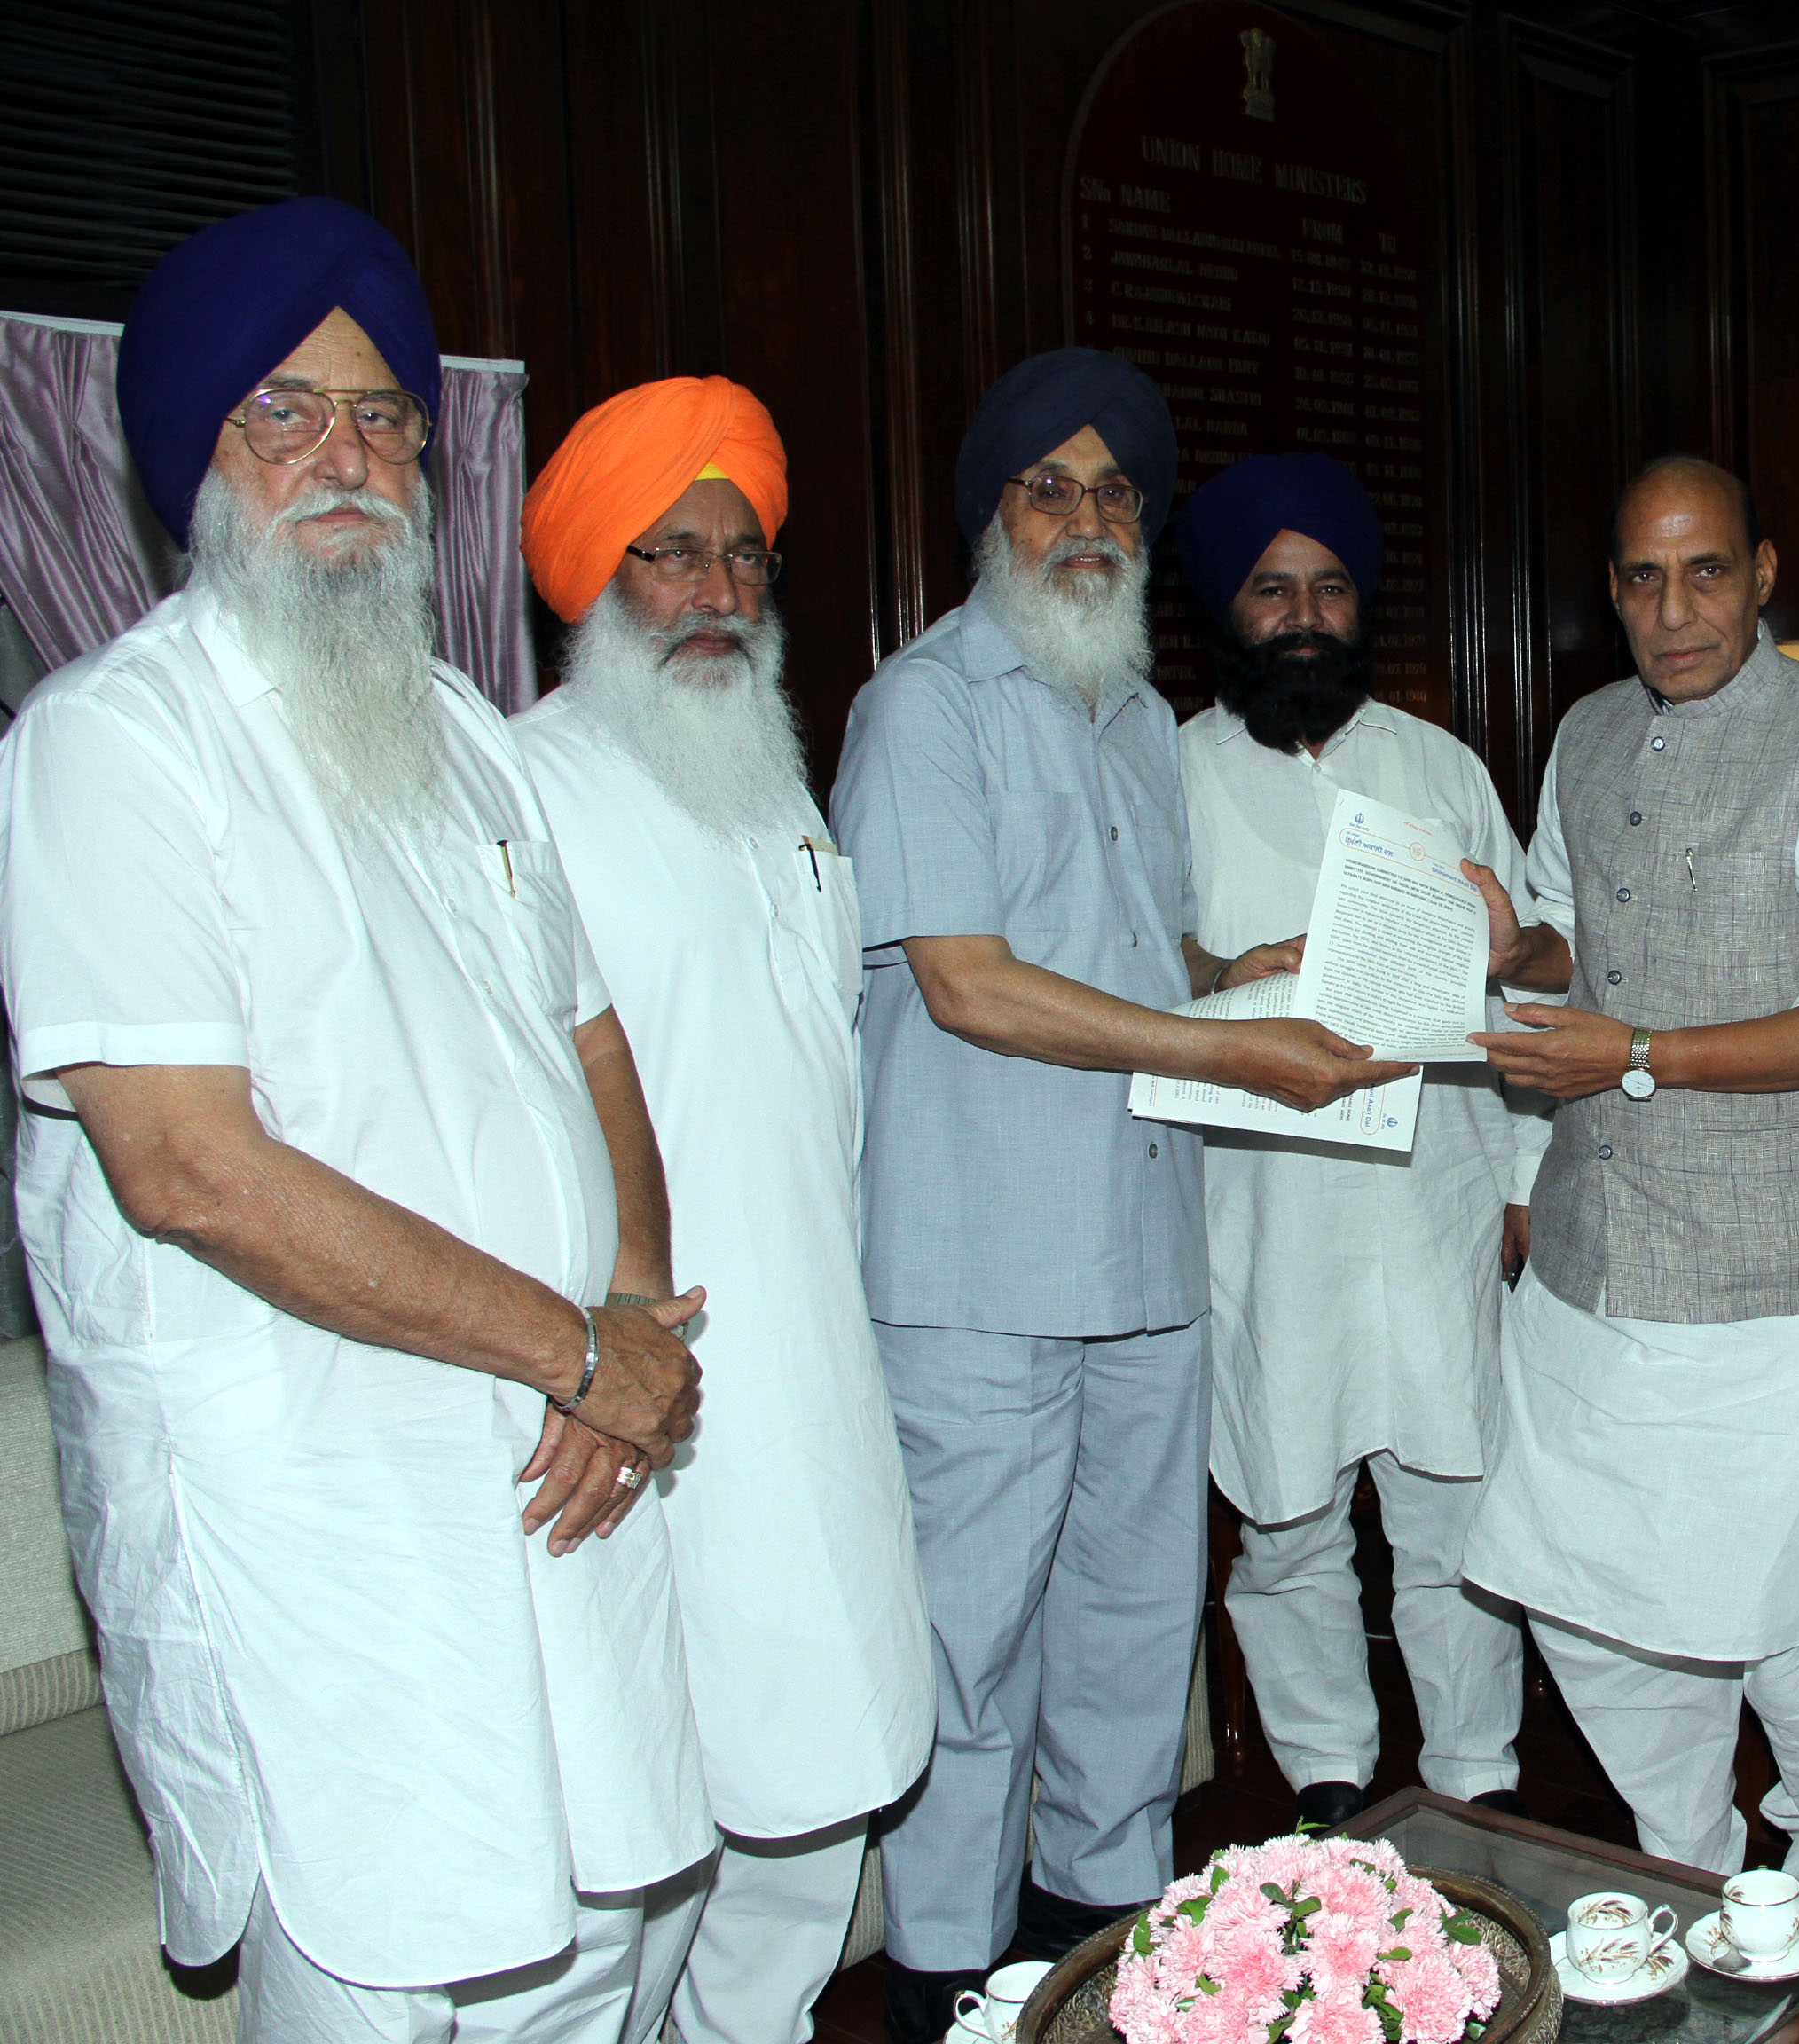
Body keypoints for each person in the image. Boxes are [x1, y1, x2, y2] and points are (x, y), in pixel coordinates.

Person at [0, 198, 711, 2041]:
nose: (347, 455)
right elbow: (189, 1168)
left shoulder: (468, 728)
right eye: (284, 414)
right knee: (397, 1964)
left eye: (385, 416)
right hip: (326, 1504)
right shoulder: (113, 741)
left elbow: (596, 1042)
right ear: (195, 463)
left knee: (599, 1951)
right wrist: (582, 1352)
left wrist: (630, 1315)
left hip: (563, 1459)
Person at [832, 349, 1410, 2044]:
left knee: (1131, 1633)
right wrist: (1231, 1050)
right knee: (972, 1645)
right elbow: (967, 983)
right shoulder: (921, 709)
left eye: (1112, 495)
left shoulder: (1140, 720)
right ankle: (950, 1974)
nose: (1085, 523)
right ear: (991, 518)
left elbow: (1131, 964)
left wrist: (1245, 978)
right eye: (1048, 489)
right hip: (977, 1266)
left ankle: (1101, 1966)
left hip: (1145, 1255)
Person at [1463, 456, 1799, 1907]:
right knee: (1597, 1611)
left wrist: (1641, 1056)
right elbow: (1565, 932)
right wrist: (1517, 955)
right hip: (1599, 1276)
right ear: (1609, 590)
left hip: (1796, 1297)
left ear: (1762, 572)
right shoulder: (1586, 737)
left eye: (1704, 572)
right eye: (1640, 577)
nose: (1673, 610)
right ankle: (1693, 1869)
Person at [512, 377, 939, 2044]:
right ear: (591, 582)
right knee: (644, 1847)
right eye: (668, 556)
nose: (715, 596)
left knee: (815, 1804)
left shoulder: (782, 790)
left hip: (814, 1379)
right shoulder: (523, 789)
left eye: (744, 560)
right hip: (632, 1389)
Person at [1168, 452, 1540, 1830]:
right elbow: (1129, 979)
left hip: (1435, 1195)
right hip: (1260, 1214)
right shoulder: (1168, 775)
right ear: (1228, 610)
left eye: (1330, 588)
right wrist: (1222, 971)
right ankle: (1328, 1777)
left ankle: (1476, 1778)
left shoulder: (1436, 765)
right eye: (1274, 590)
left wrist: (1522, 1181)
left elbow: (1528, 990)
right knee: (1286, 1514)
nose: (1306, 615)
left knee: (1454, 1505)